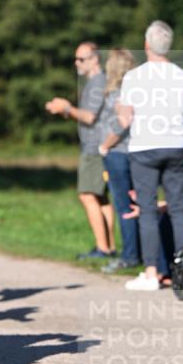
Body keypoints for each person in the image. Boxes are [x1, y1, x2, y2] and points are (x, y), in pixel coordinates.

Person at [117, 20, 183, 291]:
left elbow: (125, 120)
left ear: (147, 44)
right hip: (173, 145)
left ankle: (151, 272)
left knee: (148, 210)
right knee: (177, 209)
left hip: (143, 147)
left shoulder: (134, 78)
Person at [46, 41, 115, 259]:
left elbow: (89, 116)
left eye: (81, 59)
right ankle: (109, 247)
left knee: (87, 194)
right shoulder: (98, 82)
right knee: (101, 197)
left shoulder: (96, 82)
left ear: (95, 59)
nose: (77, 63)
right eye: (76, 59)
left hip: (94, 148)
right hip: (99, 146)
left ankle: (103, 248)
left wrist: (66, 108)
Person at [97, 48, 141, 272]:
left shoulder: (117, 93)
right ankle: (139, 252)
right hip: (134, 153)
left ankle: (130, 255)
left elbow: (123, 122)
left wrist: (105, 145)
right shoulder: (136, 90)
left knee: (124, 206)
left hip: (118, 153)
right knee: (136, 205)